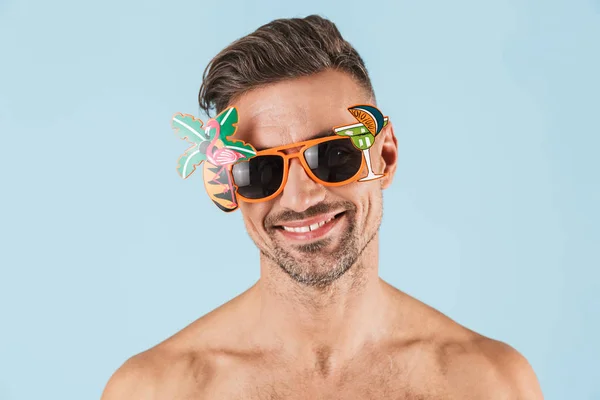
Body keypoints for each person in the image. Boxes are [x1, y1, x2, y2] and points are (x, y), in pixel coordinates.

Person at [101, 15, 543, 399]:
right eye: (262, 171)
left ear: (384, 156)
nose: (301, 198)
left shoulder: (489, 385)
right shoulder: (153, 390)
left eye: (334, 155)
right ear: (227, 185)